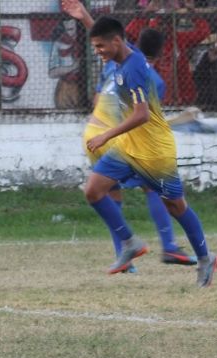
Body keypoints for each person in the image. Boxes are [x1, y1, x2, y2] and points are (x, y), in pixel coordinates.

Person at [81, 14, 217, 286]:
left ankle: (205, 258)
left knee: (176, 206)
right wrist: (85, 17)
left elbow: (142, 115)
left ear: (117, 42)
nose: (97, 52)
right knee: (94, 191)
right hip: (128, 147)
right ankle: (130, 242)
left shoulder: (134, 68)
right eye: (94, 46)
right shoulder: (119, 57)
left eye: (100, 47)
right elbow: (106, 33)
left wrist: (106, 135)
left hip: (154, 151)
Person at [62, 0, 196, 271]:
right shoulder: (152, 78)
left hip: (92, 134)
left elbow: (102, 39)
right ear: (160, 54)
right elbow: (144, 119)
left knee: (109, 195)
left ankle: (124, 256)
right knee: (153, 188)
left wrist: (85, 15)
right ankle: (169, 246)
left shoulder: (114, 64)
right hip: (116, 138)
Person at [125, 0, 211, 105]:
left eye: (168, 23)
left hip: (179, 95)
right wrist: (146, 13)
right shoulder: (148, 39)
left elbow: (203, 32)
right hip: (152, 95)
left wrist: (193, 13)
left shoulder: (179, 39)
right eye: (161, 23)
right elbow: (130, 32)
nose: (164, 27)